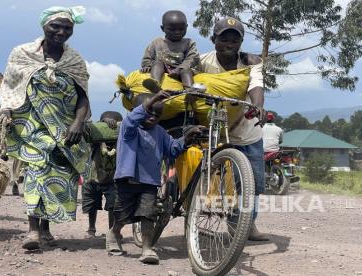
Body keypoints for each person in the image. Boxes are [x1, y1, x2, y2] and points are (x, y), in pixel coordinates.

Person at [0, 6, 90, 250]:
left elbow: (83, 97)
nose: (61, 32)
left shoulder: (74, 60)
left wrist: (78, 123)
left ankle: (46, 227)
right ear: (44, 26)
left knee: (57, 176)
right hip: (31, 126)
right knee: (37, 171)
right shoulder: (22, 53)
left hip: (66, 129)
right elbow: (10, 87)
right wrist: (6, 110)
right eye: (55, 26)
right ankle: (32, 231)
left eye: (67, 28)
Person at [106, 91, 204, 264]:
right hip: (127, 180)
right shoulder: (129, 128)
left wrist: (186, 138)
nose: (153, 116)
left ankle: (146, 248)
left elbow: (173, 149)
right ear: (139, 110)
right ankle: (114, 232)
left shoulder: (160, 132)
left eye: (158, 114)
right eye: (149, 111)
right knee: (122, 214)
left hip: (149, 182)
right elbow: (131, 119)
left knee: (148, 214)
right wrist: (153, 100)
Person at [199, 17, 268, 241]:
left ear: (241, 42)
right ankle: (220, 222)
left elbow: (256, 84)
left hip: (248, 133)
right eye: (223, 39)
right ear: (213, 39)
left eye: (234, 40)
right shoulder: (202, 62)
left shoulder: (251, 61)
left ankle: (249, 225)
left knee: (252, 184)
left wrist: (258, 106)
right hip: (217, 133)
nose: (229, 44)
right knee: (218, 182)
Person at [82, 111, 123, 238]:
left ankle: (112, 231)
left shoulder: (120, 141)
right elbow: (89, 128)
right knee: (91, 205)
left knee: (113, 206)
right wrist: (104, 121)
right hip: (93, 178)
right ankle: (91, 228)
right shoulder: (96, 139)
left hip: (113, 179)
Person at [141, 10, 200, 88]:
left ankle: (190, 91)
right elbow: (147, 57)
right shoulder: (156, 42)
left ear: (186, 27)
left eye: (181, 29)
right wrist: (147, 66)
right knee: (158, 63)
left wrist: (179, 69)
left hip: (181, 70)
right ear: (162, 28)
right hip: (162, 69)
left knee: (186, 71)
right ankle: (155, 84)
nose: (177, 32)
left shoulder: (189, 43)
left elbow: (192, 58)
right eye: (172, 29)